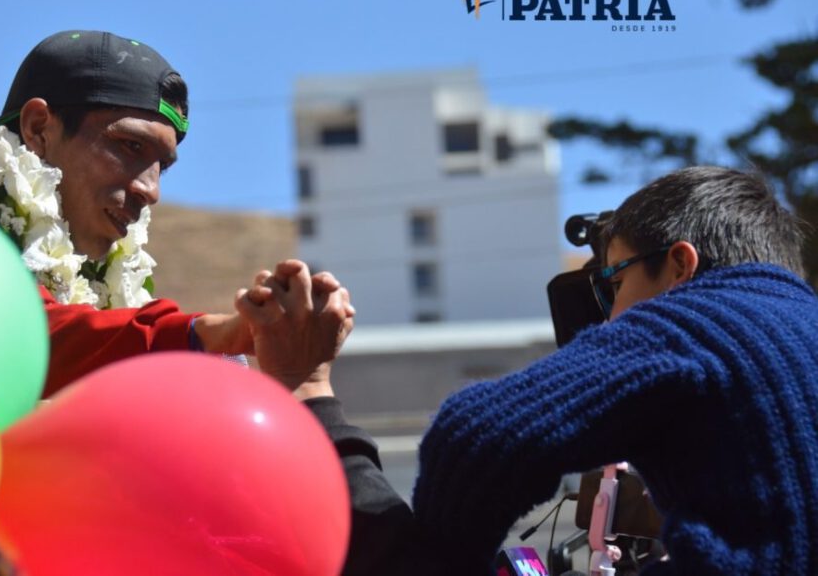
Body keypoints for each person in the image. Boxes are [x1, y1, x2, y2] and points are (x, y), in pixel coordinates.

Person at [244, 166, 818, 575]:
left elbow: (477, 432)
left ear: (679, 266)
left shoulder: (700, 315)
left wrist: (439, 560)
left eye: (614, 284)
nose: (611, 315)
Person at [0, 30, 264, 395]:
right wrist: (210, 334)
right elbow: (18, 336)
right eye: (130, 146)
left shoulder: (98, 313)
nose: (151, 190)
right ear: (38, 129)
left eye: (163, 167)